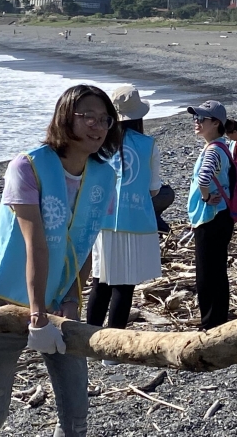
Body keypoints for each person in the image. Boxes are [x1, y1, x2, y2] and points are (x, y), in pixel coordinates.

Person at [0, 85, 121, 437]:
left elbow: (85, 243)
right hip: (9, 298)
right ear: (66, 117)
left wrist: (70, 301)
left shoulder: (104, 176)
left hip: (60, 301)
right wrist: (37, 316)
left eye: (104, 119)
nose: (97, 126)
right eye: (88, 117)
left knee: (76, 410)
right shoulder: (28, 165)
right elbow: (37, 244)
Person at [87, 85, 162, 365]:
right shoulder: (148, 144)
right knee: (125, 284)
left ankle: (88, 339)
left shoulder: (99, 142)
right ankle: (112, 349)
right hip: (136, 219)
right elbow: (154, 188)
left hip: (102, 219)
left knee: (101, 280)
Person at [187, 100, 235, 330]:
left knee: (207, 273)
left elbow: (204, 178)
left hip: (211, 218)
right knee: (216, 270)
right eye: (195, 118)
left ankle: (211, 323)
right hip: (218, 217)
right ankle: (217, 320)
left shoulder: (215, 149)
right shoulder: (220, 147)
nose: (196, 122)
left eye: (201, 119)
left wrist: (205, 197)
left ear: (216, 123)